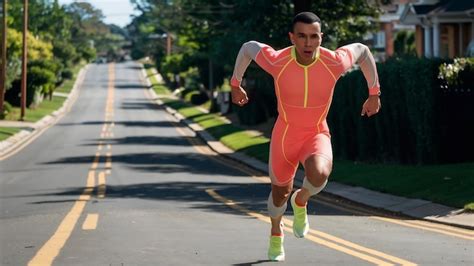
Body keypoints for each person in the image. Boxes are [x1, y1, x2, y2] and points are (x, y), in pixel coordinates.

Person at [230, 12, 381, 261]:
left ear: (321, 38)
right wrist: (235, 84)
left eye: (314, 37)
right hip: (285, 136)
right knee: (279, 194)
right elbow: (248, 48)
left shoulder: (334, 61)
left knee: (320, 173)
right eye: (301, 36)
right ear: (292, 38)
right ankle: (276, 231)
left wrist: (374, 92)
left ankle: (301, 200)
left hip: (315, 132)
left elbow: (363, 51)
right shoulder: (278, 60)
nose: (308, 43)